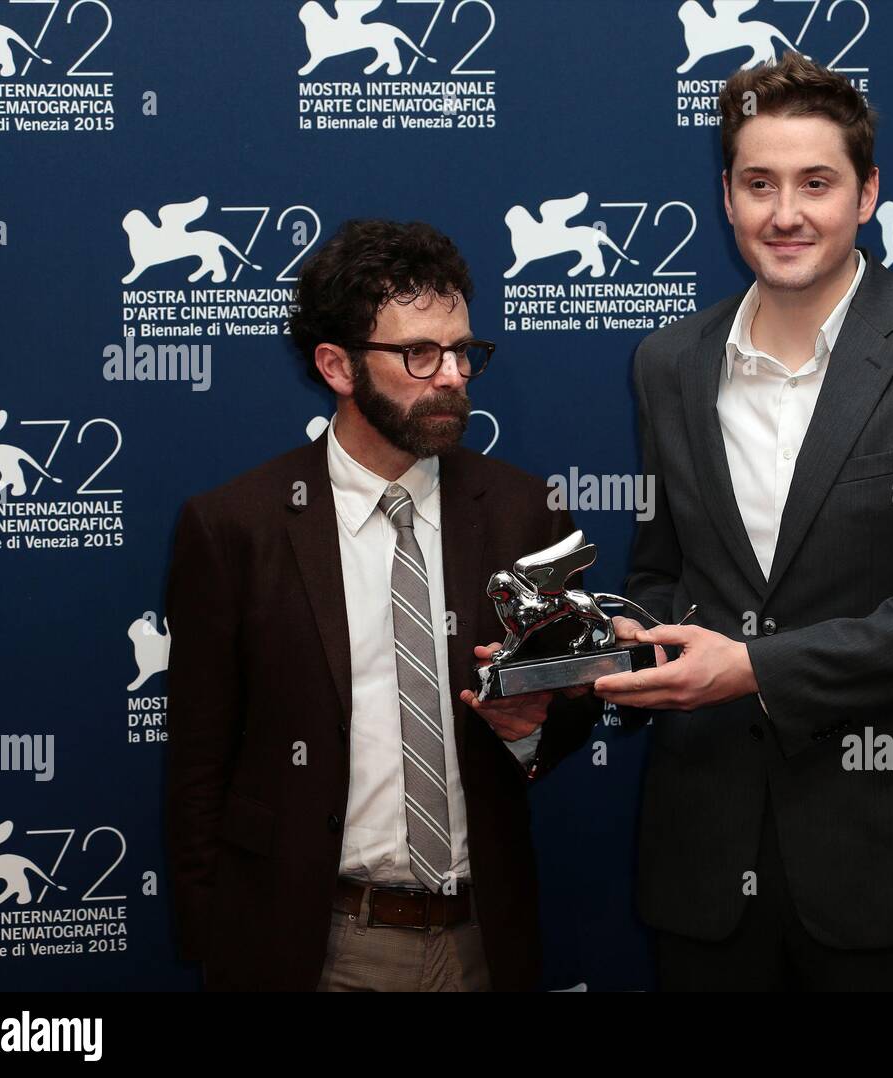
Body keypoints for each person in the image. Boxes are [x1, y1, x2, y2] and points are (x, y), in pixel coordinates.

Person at [593, 52, 893, 991]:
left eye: (816, 183)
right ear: (725, 195)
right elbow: (663, 569)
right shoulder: (667, 361)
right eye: (759, 183)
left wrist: (749, 668)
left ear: (868, 194)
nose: (785, 212)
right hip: (706, 863)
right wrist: (616, 645)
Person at [164, 219, 598, 991]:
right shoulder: (237, 525)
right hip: (312, 945)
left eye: (463, 350)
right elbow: (199, 762)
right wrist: (218, 939)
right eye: (419, 354)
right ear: (336, 365)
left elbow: (568, 716)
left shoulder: (525, 513)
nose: (454, 374)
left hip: (483, 940)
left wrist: (537, 723)